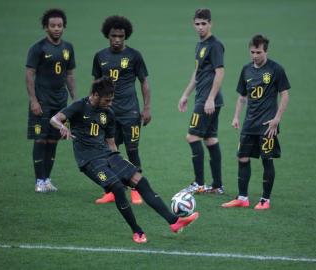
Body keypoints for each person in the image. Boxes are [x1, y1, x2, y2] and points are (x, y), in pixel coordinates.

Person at [50, 77, 199, 243]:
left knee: (140, 180)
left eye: (112, 100)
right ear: (95, 95)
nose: (110, 103)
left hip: (107, 155)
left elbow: (111, 142)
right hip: (89, 161)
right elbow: (54, 119)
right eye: (107, 100)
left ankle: (174, 222)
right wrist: (62, 126)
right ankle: (137, 231)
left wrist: (120, 164)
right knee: (118, 188)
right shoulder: (79, 106)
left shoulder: (108, 113)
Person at [221, 34, 290, 210]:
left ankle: (265, 200)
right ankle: (242, 198)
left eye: (258, 52)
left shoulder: (276, 69)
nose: (254, 55)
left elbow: (284, 95)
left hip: (267, 126)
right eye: (252, 52)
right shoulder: (246, 70)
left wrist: (277, 119)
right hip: (249, 124)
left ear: (265, 51)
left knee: (267, 160)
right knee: (242, 158)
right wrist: (236, 116)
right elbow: (242, 96)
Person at [92, 15, 151, 204]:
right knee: (108, 151)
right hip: (107, 113)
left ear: (126, 36)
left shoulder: (134, 56)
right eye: (113, 36)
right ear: (107, 35)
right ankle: (112, 189)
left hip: (130, 112)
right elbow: (96, 84)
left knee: (132, 150)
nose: (117, 39)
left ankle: (136, 189)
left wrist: (147, 108)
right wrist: (91, 108)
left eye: (121, 36)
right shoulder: (100, 56)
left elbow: (144, 82)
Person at [25, 8, 76, 193]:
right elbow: (29, 75)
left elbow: (69, 74)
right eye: (53, 25)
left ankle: (47, 179)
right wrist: (33, 100)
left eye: (60, 26)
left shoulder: (68, 48)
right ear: (46, 27)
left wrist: (75, 100)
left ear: (64, 27)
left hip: (59, 103)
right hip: (42, 102)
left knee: (53, 141)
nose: (56, 29)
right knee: (40, 140)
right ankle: (39, 181)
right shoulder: (38, 48)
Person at [178, 8, 225, 194]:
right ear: (193, 24)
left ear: (210, 23)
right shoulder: (200, 45)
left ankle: (198, 183)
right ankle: (217, 186)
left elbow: (220, 72)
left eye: (204, 23)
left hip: (208, 100)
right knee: (210, 139)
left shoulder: (215, 45)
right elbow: (198, 73)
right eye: (197, 24)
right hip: (204, 98)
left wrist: (210, 98)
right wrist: (186, 94)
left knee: (192, 136)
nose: (200, 27)